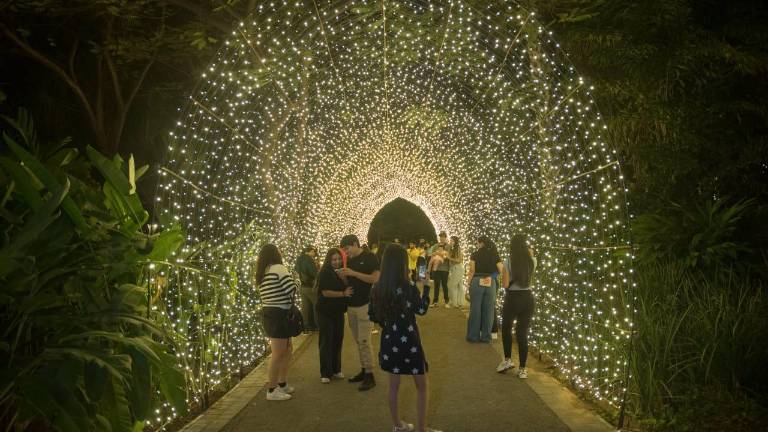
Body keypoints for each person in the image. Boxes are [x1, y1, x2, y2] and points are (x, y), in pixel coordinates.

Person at [369, 244, 441, 432]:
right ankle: (422, 429)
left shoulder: (378, 287)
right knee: (422, 384)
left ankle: (397, 425)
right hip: (409, 339)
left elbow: (373, 316)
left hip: (389, 339)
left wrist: (387, 324)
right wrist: (426, 288)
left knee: (393, 385)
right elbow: (422, 309)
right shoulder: (407, 286)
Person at [256, 244, 298, 401]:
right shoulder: (279, 268)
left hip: (270, 314)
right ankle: (272, 390)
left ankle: (282, 383)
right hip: (279, 314)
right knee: (278, 353)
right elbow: (291, 289)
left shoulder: (263, 273)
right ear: (276, 254)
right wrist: (297, 280)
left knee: (286, 349)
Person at [340, 234, 380, 391]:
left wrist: (354, 273)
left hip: (365, 305)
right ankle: (364, 370)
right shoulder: (348, 260)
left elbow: (375, 278)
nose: (346, 252)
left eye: (347, 248)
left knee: (364, 341)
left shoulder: (370, 257)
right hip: (351, 306)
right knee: (358, 341)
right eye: (344, 250)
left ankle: (370, 375)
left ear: (355, 244)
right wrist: (344, 279)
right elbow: (350, 280)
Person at [496, 235, 537, 379]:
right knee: (522, 334)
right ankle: (523, 369)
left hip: (512, 298)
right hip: (528, 299)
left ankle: (507, 360)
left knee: (507, 329)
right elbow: (531, 254)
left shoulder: (508, 261)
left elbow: (506, 284)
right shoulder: (532, 261)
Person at [316, 248, 353, 383]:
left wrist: (344, 279)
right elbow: (326, 292)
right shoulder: (324, 272)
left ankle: (336, 369)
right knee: (326, 341)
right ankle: (325, 373)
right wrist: (343, 294)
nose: (336, 262)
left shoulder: (341, 272)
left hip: (338, 311)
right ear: (329, 260)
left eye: (338, 259)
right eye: (333, 260)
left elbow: (347, 287)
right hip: (325, 311)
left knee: (338, 339)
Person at [465, 236, 506, 343]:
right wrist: (491, 277)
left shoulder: (475, 254)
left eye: (477, 243)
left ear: (481, 243)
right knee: (489, 310)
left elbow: (472, 270)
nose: (477, 245)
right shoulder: (494, 254)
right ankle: (486, 337)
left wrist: (468, 284)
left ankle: (473, 336)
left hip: (477, 280)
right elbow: (501, 270)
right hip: (490, 282)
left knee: (475, 309)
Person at [295, 245, 319, 332]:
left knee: (305, 307)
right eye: (313, 251)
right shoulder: (308, 260)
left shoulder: (299, 259)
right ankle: (317, 325)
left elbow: (296, 271)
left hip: (302, 286)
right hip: (310, 286)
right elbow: (314, 273)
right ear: (309, 251)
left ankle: (306, 326)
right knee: (316, 305)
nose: (314, 253)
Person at [428, 243, 450, 308]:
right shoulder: (436, 252)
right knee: (436, 285)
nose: (440, 249)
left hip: (445, 270)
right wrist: (434, 254)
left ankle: (447, 302)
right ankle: (435, 302)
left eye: (441, 248)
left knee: (444, 286)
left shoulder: (446, 252)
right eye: (439, 248)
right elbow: (431, 256)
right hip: (436, 270)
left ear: (443, 248)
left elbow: (446, 258)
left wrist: (439, 254)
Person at [446, 236, 465, 308]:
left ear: (455, 242)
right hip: (455, 268)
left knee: (453, 285)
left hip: (457, 268)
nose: (450, 242)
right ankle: (459, 302)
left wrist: (449, 258)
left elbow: (459, 260)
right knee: (458, 285)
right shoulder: (452, 249)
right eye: (450, 240)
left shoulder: (458, 249)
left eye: (452, 241)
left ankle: (454, 302)